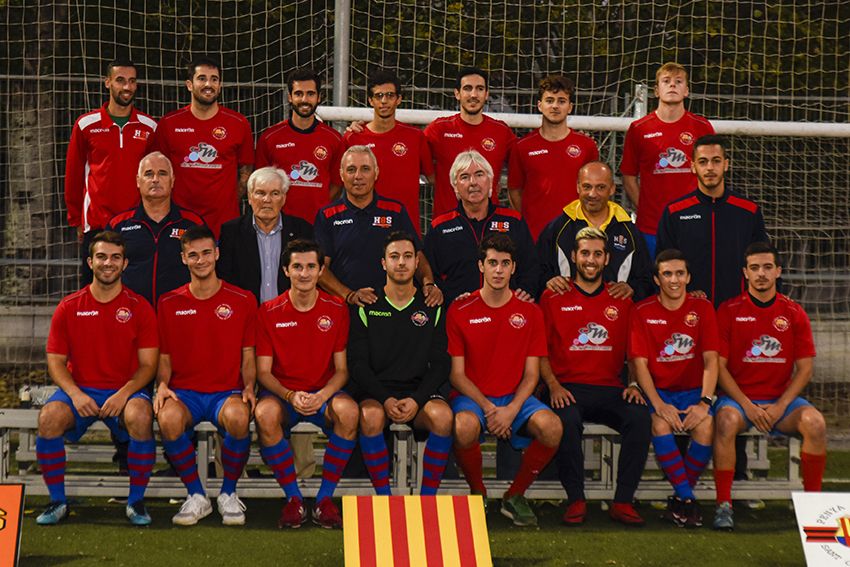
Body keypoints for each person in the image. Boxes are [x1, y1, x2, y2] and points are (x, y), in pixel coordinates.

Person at [36, 231, 158, 526]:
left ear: (125, 264)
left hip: (124, 391)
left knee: (141, 415)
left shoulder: (140, 307)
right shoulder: (69, 306)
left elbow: (148, 365)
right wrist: (76, 394)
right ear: (90, 262)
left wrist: (123, 393)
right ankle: (57, 502)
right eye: (101, 257)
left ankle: (136, 502)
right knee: (49, 416)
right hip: (80, 390)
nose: (108, 263)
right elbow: (55, 361)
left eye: (115, 257)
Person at [539, 227, 651, 526]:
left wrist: (634, 384)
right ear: (574, 257)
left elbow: (635, 352)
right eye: (585, 253)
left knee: (640, 416)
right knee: (567, 418)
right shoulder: (553, 296)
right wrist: (552, 385)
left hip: (609, 388)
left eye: (597, 254)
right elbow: (539, 353)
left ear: (607, 259)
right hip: (567, 387)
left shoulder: (622, 300)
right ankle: (576, 499)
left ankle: (623, 501)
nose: (590, 260)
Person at [448, 234, 562, 527]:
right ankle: (478, 492)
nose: (498, 270)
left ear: (514, 268)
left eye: (505, 264)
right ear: (481, 266)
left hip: (515, 398)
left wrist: (511, 410)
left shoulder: (530, 312)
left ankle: (515, 496)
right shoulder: (459, 310)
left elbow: (532, 375)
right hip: (474, 398)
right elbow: (457, 375)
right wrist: (489, 408)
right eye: (492, 263)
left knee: (552, 428)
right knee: (463, 427)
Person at [712, 242, 826, 531]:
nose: (761, 274)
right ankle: (724, 505)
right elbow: (719, 368)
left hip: (780, 403)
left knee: (816, 424)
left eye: (766, 267)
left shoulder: (793, 312)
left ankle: (813, 507)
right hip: (739, 403)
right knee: (724, 422)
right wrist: (749, 406)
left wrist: (780, 406)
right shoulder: (729, 311)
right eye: (754, 268)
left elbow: (805, 368)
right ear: (745, 273)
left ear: (778, 271)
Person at [154, 225, 257, 526]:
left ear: (217, 254)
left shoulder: (243, 299)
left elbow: (248, 355)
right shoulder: (168, 302)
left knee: (239, 417)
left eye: (206, 253)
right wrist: (161, 385)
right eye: (194, 255)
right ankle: (197, 495)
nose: (201, 260)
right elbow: (165, 357)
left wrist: (249, 386)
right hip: (185, 392)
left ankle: (228, 493)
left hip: (225, 392)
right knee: (168, 418)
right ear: (184, 258)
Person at [254, 239, 358, 529]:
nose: (304, 273)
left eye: (311, 266)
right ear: (286, 270)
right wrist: (290, 395)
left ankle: (325, 499)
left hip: (324, 393)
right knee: (264, 415)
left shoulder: (336, 308)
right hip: (283, 394)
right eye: (297, 266)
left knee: (349, 413)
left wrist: (321, 395)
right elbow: (263, 372)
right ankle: (294, 500)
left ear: (320, 270)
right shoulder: (268, 311)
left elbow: (342, 370)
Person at [348, 231, 452, 496]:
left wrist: (417, 399)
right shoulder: (366, 304)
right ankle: (384, 497)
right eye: (394, 257)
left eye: (408, 256)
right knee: (370, 417)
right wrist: (385, 399)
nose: (401, 263)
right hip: (377, 392)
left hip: (419, 393)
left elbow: (440, 364)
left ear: (418, 262)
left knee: (442, 417)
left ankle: (427, 499)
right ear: (383, 263)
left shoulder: (433, 305)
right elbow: (358, 365)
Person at [630, 249, 719, 528]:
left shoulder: (703, 309)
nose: (674, 279)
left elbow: (711, 360)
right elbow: (640, 365)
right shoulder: (642, 311)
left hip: (693, 390)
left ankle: (682, 499)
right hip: (660, 392)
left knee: (706, 426)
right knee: (659, 425)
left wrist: (704, 402)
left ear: (688, 277)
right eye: (667, 273)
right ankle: (687, 500)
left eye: (680, 273)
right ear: (657, 279)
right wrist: (657, 404)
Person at [314, 145, 442, 308]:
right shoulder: (328, 215)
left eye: (365, 169)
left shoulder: (395, 211)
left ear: (376, 173)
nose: (358, 176)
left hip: (389, 310)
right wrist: (350, 295)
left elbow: (416, 255)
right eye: (351, 169)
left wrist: (429, 284)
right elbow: (320, 269)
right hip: (344, 308)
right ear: (341, 174)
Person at [65, 59, 157, 283]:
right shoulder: (86, 124)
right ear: (108, 83)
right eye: (120, 80)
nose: (127, 87)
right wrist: (76, 219)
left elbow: (156, 177)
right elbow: (73, 174)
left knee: (135, 291)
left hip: (137, 223)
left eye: (132, 81)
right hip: (97, 223)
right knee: (96, 291)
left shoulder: (149, 127)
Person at [656, 135, 768, 308]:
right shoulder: (675, 212)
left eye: (716, 161)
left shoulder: (748, 211)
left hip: (738, 310)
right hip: (689, 309)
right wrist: (686, 291)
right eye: (703, 161)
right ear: (693, 167)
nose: (710, 168)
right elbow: (663, 264)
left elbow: (764, 261)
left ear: (726, 164)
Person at [149, 56, 253, 238]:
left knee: (224, 268)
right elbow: (159, 171)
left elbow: (246, 171)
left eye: (214, 79)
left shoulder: (239, 123)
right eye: (202, 78)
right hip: (178, 221)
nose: (209, 84)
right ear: (189, 84)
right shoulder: (169, 123)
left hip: (224, 223)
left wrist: (227, 202)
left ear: (220, 85)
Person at [620, 62, 715, 257]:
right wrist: (645, 208)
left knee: (693, 284)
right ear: (656, 90)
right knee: (651, 283)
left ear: (686, 91)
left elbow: (713, 174)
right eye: (666, 81)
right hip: (651, 226)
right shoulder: (639, 129)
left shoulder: (702, 127)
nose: (672, 85)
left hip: (693, 223)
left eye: (678, 81)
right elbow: (628, 176)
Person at [425, 150, 539, 305]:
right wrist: (447, 296)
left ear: (490, 181)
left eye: (479, 174)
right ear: (455, 186)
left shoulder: (513, 221)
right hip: (457, 314)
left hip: (507, 313)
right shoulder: (440, 227)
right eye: (464, 177)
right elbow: (430, 274)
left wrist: (526, 290)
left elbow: (531, 267)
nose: (473, 182)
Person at [538, 161, 653, 302]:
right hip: (568, 315)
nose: (592, 194)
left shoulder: (629, 231)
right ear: (578, 187)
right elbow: (536, 271)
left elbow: (647, 279)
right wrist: (548, 281)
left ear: (612, 189)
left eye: (600, 187)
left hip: (613, 317)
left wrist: (632, 289)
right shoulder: (558, 228)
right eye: (587, 186)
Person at [106, 151, 204, 306]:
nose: (155, 179)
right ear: (138, 181)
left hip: (182, 313)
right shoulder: (118, 225)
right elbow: (105, 271)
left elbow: (206, 270)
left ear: (172, 181)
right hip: (130, 314)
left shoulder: (193, 224)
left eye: (162, 174)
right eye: (149, 174)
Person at [343, 69, 435, 235]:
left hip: (405, 228)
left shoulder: (415, 137)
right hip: (365, 228)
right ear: (370, 100)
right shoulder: (353, 138)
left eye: (390, 95)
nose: (384, 101)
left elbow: (433, 178)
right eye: (378, 96)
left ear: (399, 99)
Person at [508, 75, 599, 240]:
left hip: (576, 235)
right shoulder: (522, 147)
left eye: (561, 101)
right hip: (535, 236)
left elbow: (595, 191)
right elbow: (514, 190)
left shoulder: (586, 146)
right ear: (539, 105)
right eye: (549, 100)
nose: (555, 106)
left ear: (570, 107)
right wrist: (531, 220)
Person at [255, 68, 344, 224]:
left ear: (319, 97)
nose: (304, 99)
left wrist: (319, 206)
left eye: (310, 94)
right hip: (280, 225)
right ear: (290, 97)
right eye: (298, 94)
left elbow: (337, 185)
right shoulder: (270, 138)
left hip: (319, 224)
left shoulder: (334, 139)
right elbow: (260, 184)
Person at [424, 67, 516, 215]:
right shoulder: (439, 129)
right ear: (457, 93)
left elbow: (523, 167)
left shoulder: (501, 131)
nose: (473, 94)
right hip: (447, 223)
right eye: (467, 88)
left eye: (479, 89)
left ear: (486, 94)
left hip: (488, 224)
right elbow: (417, 161)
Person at [217, 167, 314, 304]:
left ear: (284, 198)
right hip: (247, 314)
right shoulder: (231, 232)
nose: (267, 200)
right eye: (260, 193)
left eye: (275, 193)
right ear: (249, 197)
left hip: (290, 314)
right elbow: (225, 280)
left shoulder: (302, 230)